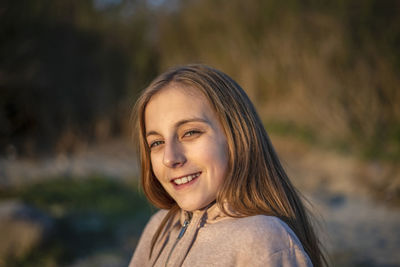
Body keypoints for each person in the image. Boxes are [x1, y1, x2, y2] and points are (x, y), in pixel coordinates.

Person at [129, 64, 326, 266]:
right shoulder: (160, 229)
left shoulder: (262, 241)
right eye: (157, 143)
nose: (170, 158)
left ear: (236, 136)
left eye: (190, 133)